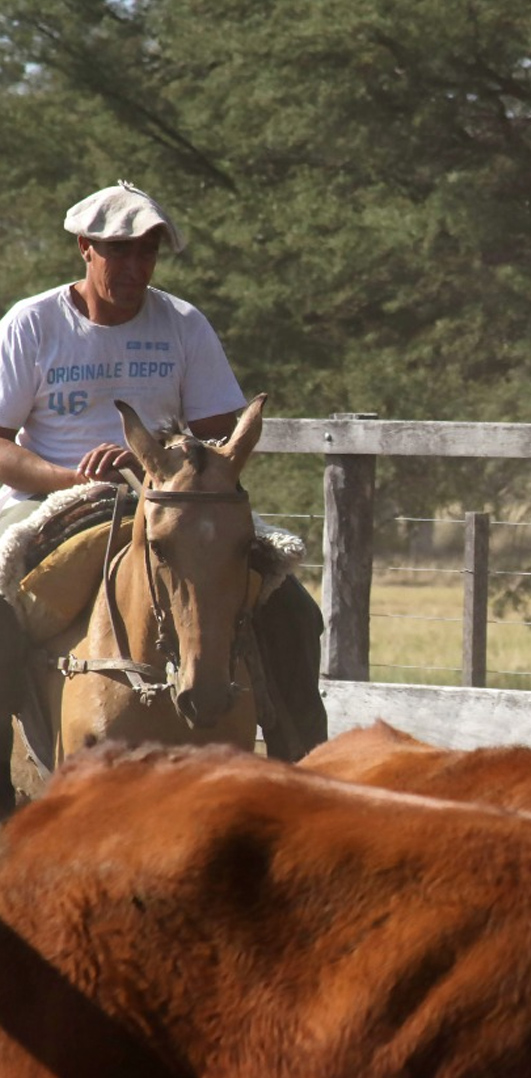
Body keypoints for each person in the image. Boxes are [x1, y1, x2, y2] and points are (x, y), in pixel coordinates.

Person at [0, 180, 327, 761]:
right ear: (85, 246)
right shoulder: (32, 323)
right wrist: (70, 478)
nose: (134, 265)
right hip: (53, 501)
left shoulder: (182, 323)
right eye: (118, 250)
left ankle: (302, 771)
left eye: (146, 251)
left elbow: (222, 435)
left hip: (173, 500)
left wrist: (159, 458)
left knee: (293, 612)